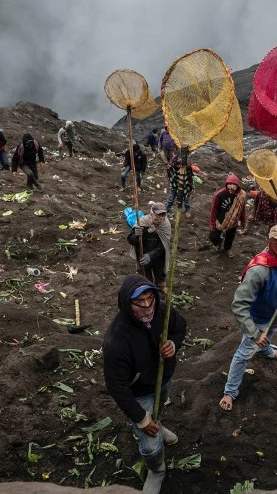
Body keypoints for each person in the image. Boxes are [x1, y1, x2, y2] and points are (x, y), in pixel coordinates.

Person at [103, 275, 186, 494]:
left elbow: (180, 327)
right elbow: (116, 386)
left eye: (151, 298)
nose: (148, 307)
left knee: (160, 407)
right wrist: (140, 418)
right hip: (138, 391)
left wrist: (173, 344)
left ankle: (158, 421)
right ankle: (157, 470)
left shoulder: (163, 311)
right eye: (140, 302)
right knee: (150, 445)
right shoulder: (116, 341)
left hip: (163, 377)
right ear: (126, 304)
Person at [219, 224, 277, 411]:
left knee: (272, 332)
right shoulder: (259, 269)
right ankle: (230, 390)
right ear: (271, 241)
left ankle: (266, 350)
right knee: (244, 354)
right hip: (258, 316)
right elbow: (239, 304)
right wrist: (254, 332)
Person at [128, 203, 172, 288]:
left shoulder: (165, 225)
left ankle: (161, 293)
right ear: (151, 214)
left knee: (160, 281)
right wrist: (136, 235)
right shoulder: (142, 223)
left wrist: (150, 255)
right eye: (158, 215)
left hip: (158, 258)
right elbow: (130, 240)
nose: (161, 218)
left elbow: (164, 246)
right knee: (146, 281)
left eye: (163, 215)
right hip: (143, 256)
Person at [209, 174, 248, 257]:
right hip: (220, 219)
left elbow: (242, 209)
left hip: (233, 220)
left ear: (238, 186)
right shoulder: (219, 195)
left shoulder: (240, 196)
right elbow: (213, 210)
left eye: (234, 185)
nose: (231, 187)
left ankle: (227, 248)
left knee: (230, 236)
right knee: (213, 237)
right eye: (229, 184)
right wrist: (212, 222)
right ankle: (218, 243)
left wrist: (243, 221)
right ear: (226, 185)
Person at [165, 153, 193, 218]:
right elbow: (170, 174)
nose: (179, 166)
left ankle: (187, 210)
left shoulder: (187, 168)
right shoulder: (172, 168)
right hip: (175, 185)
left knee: (186, 199)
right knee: (171, 198)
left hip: (184, 185)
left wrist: (190, 188)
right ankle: (167, 210)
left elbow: (190, 177)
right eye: (178, 165)